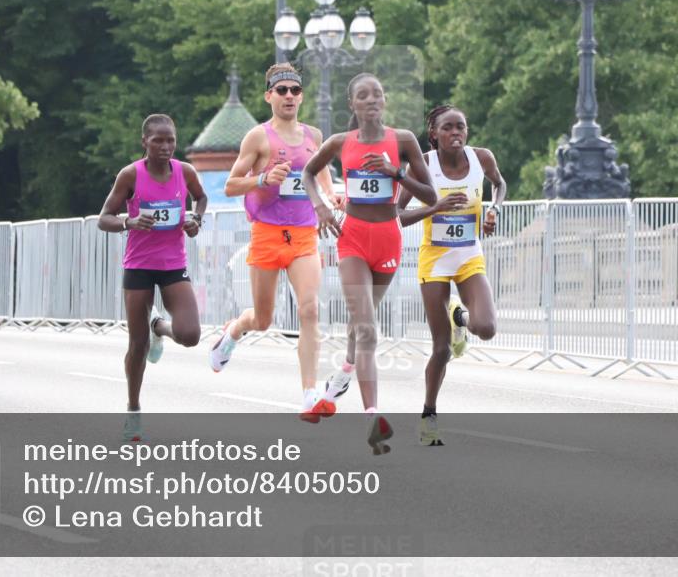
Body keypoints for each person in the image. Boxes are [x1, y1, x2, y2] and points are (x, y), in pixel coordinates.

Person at [301, 73, 436, 455]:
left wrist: (396, 173)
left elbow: (430, 195)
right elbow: (309, 173)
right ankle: (372, 420)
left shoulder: (404, 141)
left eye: (378, 93)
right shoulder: (340, 143)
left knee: (360, 324)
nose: (372, 99)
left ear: (385, 100)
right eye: (364, 95)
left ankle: (343, 373)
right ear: (353, 105)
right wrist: (321, 207)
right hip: (353, 240)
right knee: (368, 330)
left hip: (388, 240)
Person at [209, 63, 342, 415]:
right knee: (263, 320)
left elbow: (323, 179)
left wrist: (333, 197)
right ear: (269, 95)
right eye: (281, 90)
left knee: (310, 310)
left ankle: (310, 395)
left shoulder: (314, 136)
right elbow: (230, 184)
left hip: (303, 237)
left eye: (294, 90)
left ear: (301, 96)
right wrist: (263, 179)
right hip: (267, 235)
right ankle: (234, 330)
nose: (288, 96)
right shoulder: (258, 137)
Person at [397, 104, 506, 446]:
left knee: (486, 328)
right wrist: (435, 208)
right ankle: (429, 414)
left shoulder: (481, 158)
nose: (456, 133)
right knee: (442, 349)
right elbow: (397, 214)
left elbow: (499, 185)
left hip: (469, 255)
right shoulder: (424, 166)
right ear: (434, 134)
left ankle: (461, 315)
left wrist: (493, 209)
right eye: (448, 128)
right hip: (436, 260)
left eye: (461, 126)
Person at [98, 114, 207, 441]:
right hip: (139, 266)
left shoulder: (184, 172)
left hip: (173, 264)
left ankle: (160, 326)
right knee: (137, 344)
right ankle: (133, 408)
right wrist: (129, 223)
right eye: (158, 140)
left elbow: (200, 198)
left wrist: (195, 220)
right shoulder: (130, 175)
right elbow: (104, 218)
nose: (165, 146)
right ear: (144, 142)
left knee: (190, 335)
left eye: (170, 140)